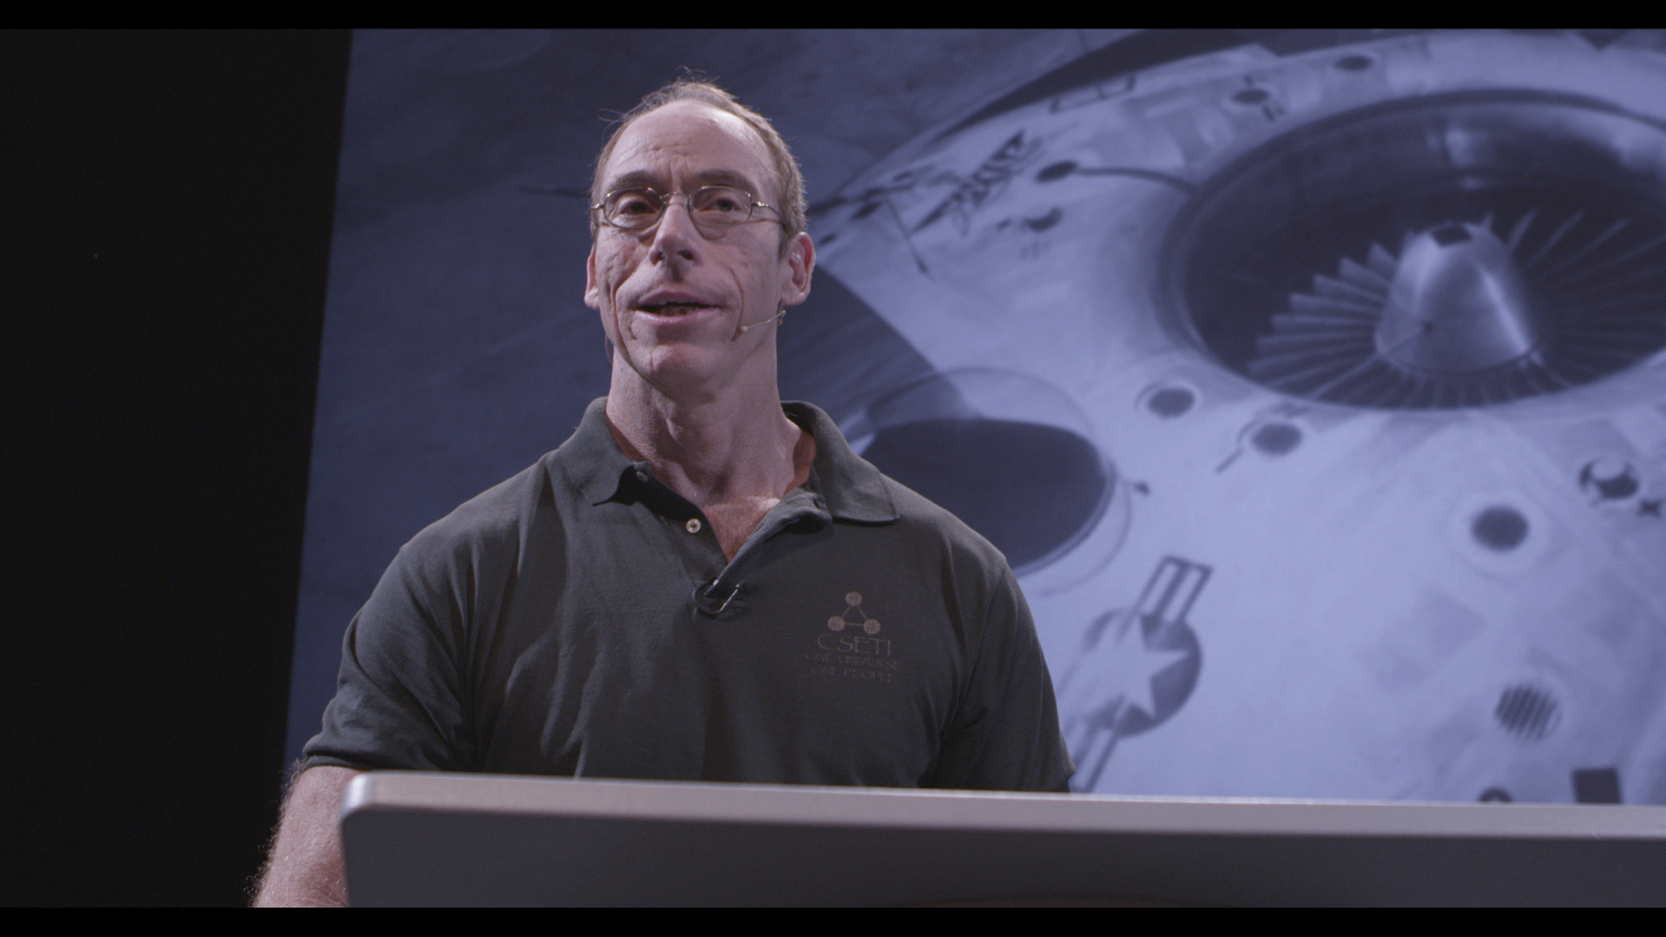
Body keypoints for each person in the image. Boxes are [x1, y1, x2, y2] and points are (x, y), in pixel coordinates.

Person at [253, 78, 1073, 907]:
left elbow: (1041, 885)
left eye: (722, 204)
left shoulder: (957, 579)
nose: (672, 236)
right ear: (595, 273)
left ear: (795, 267)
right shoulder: (455, 575)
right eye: (634, 207)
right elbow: (313, 892)